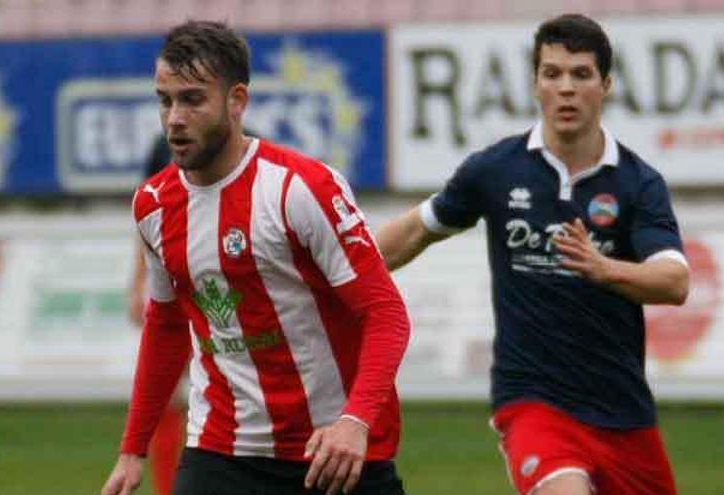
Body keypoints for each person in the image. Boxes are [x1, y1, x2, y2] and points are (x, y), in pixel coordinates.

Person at [376, 14, 689, 495]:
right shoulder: (495, 171)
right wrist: (330, 277)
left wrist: (604, 269)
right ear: (535, 83)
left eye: (581, 74)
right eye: (552, 74)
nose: (566, 88)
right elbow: (417, 230)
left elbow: (674, 282)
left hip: (622, 412)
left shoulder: (637, 183)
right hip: (533, 401)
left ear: (605, 85)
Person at [103, 20, 410, 495]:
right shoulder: (153, 206)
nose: (174, 119)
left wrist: (355, 420)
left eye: (192, 99)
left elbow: (386, 313)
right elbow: (165, 326)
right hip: (223, 451)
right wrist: (132, 448)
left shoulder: (300, 190)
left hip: (332, 451)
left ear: (237, 100)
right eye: (165, 100)